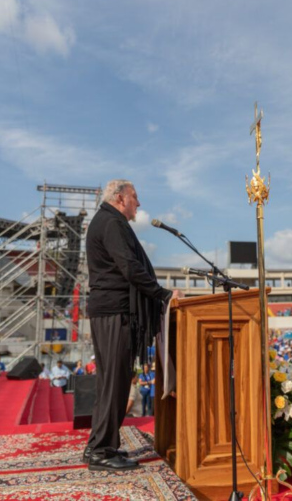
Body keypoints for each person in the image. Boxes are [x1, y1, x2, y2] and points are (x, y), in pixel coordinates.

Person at [84, 179, 173, 472]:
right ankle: (99, 450)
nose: (139, 203)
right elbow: (129, 266)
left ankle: (103, 445)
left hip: (112, 311)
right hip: (113, 312)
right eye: (135, 197)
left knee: (114, 381)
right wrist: (162, 294)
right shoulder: (111, 223)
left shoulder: (108, 221)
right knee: (114, 383)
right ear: (121, 198)